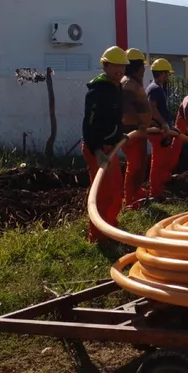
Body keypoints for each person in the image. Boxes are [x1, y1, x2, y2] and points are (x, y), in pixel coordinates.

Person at [82, 46, 127, 242]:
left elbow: (114, 118)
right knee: (101, 194)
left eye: (123, 66)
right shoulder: (97, 91)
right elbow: (89, 124)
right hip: (98, 150)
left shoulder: (117, 86)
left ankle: (110, 226)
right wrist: (97, 150)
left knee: (116, 190)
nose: (120, 69)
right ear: (106, 66)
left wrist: (121, 135)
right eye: (115, 65)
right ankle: (98, 235)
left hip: (111, 148)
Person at [120, 48, 151, 209]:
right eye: (142, 66)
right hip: (133, 132)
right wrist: (140, 124)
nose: (144, 70)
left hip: (139, 131)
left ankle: (135, 192)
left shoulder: (132, 83)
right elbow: (125, 107)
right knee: (135, 165)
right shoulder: (128, 84)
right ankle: (130, 199)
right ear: (137, 67)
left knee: (139, 164)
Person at [145, 58, 179, 198]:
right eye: (167, 74)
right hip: (158, 130)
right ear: (163, 73)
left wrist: (170, 127)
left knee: (163, 159)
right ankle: (156, 193)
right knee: (158, 162)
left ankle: (163, 183)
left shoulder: (155, 87)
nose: (168, 76)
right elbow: (152, 108)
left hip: (162, 129)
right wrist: (163, 124)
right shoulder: (156, 89)